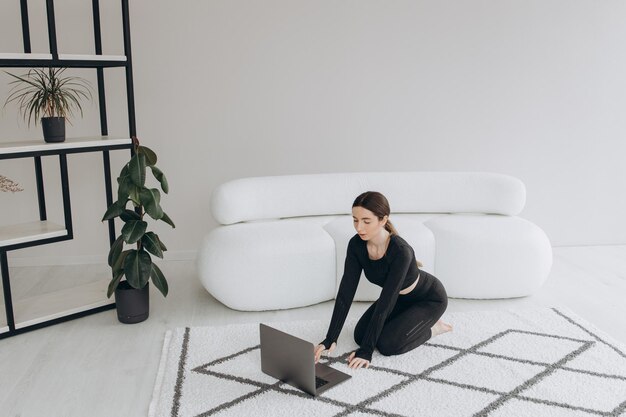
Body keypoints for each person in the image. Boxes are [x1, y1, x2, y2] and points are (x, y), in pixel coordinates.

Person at [314, 191, 452, 370]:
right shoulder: (356, 245)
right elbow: (345, 293)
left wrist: (366, 351)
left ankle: (434, 328)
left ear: (383, 220)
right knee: (360, 335)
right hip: (399, 299)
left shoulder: (401, 251)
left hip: (428, 299)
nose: (359, 227)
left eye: (366, 221)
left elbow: (385, 303)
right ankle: (408, 322)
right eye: (355, 220)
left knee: (388, 345)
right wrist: (330, 338)